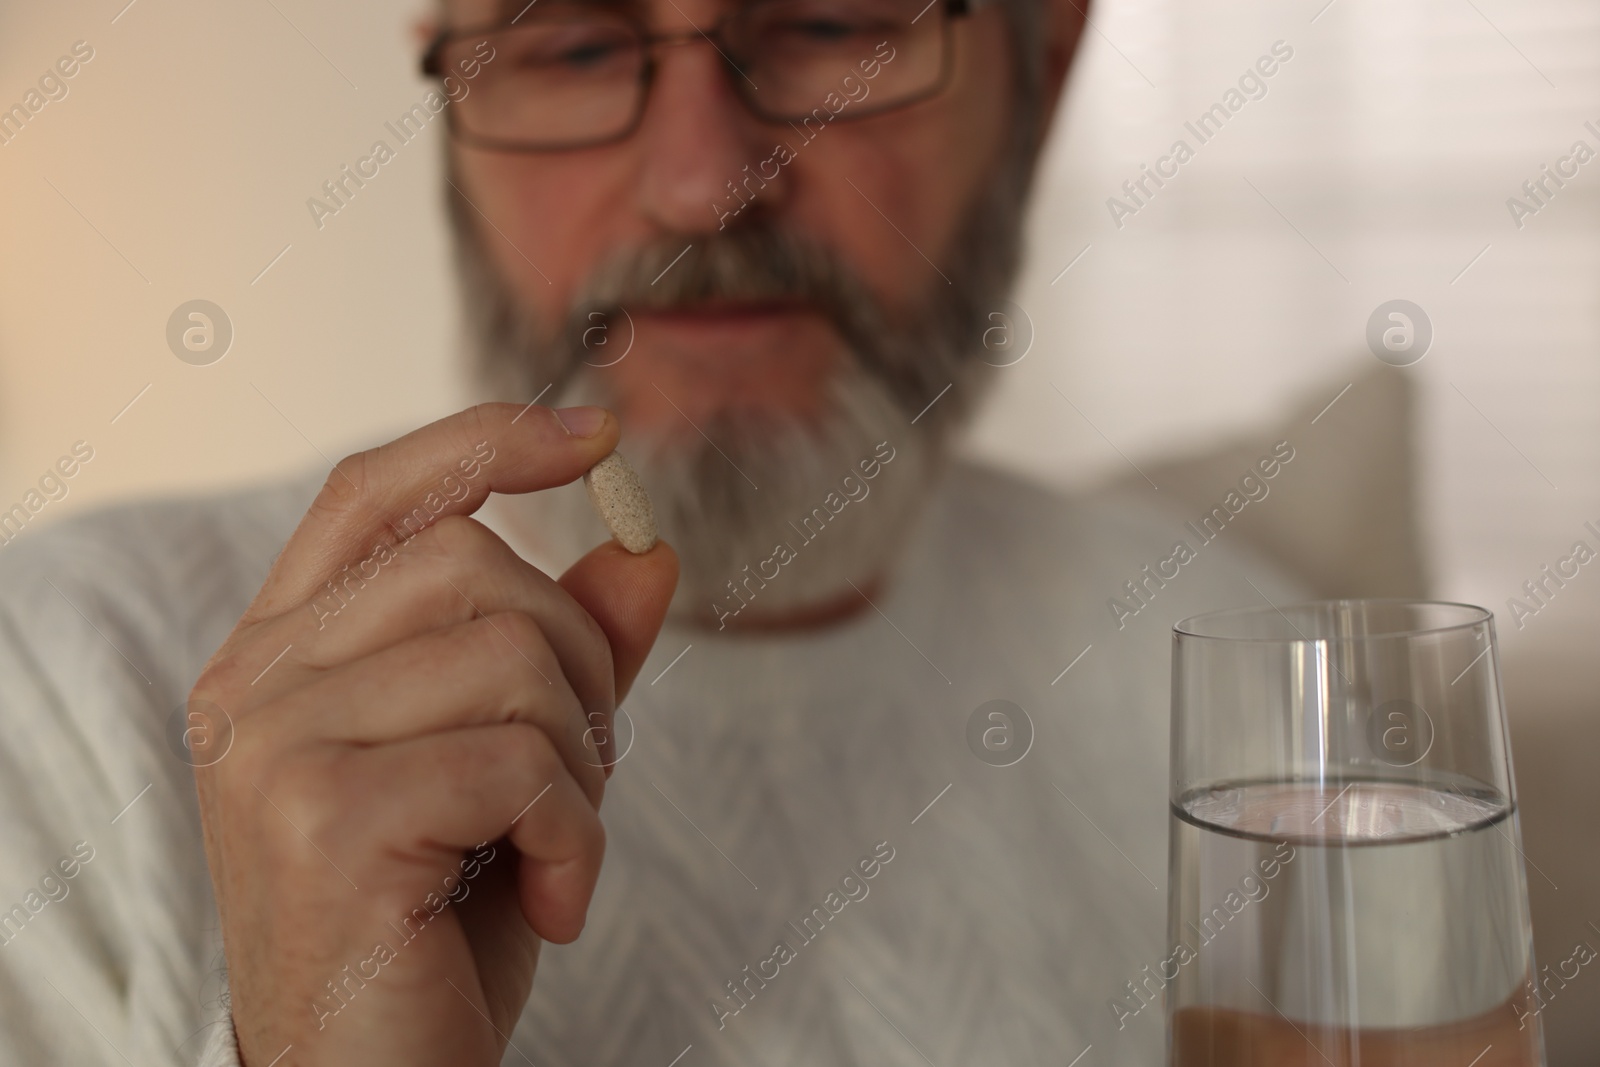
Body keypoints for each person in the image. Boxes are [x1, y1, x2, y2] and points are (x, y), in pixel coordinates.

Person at [0, 1, 1303, 1064]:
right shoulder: (56, 693)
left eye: (830, 23)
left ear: (1046, 68)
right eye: (569, 44)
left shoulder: (1260, 686)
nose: (701, 189)